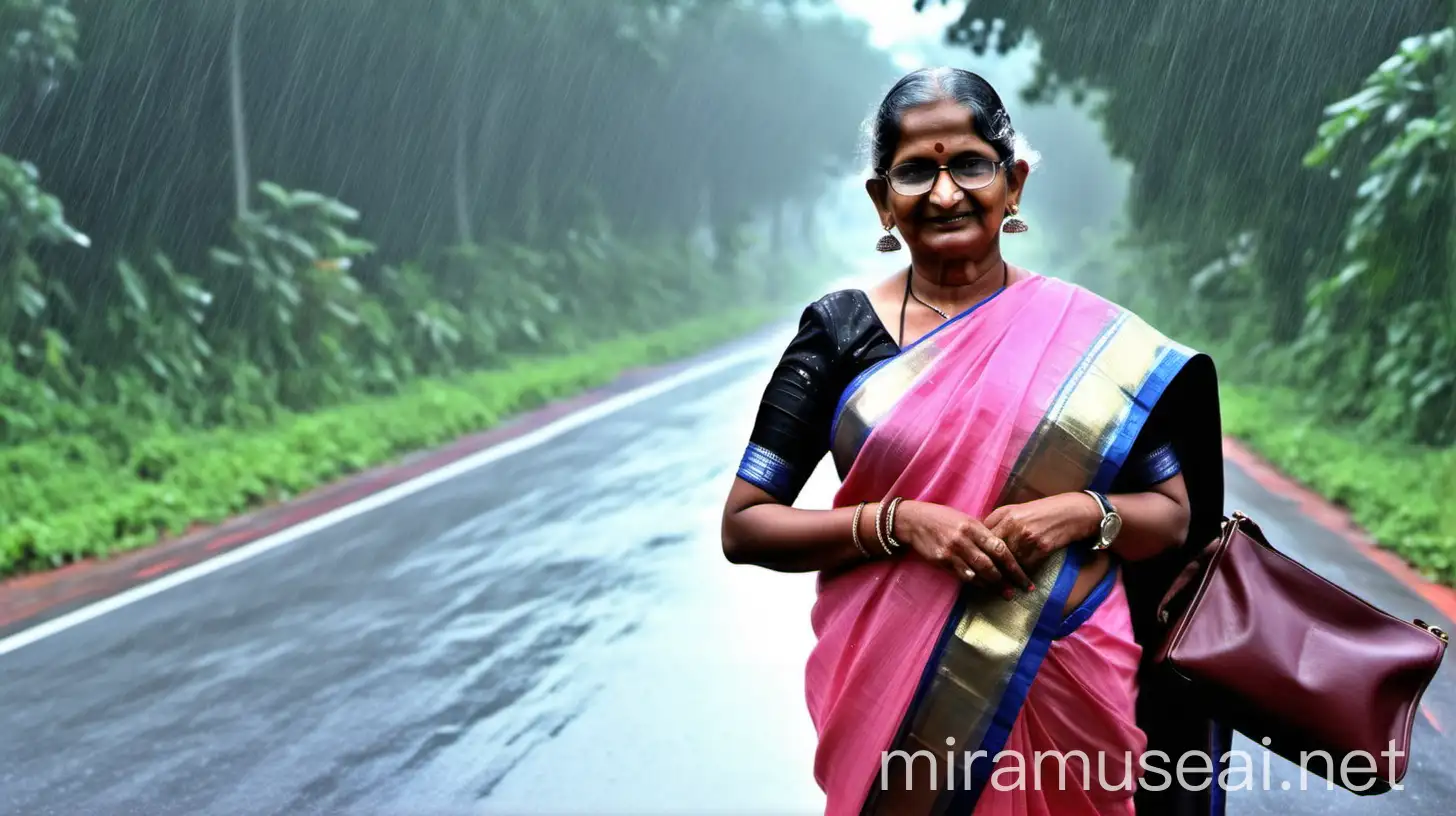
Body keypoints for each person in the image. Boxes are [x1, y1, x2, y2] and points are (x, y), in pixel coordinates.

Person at [720, 67, 1230, 816]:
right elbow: (746, 525)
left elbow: (1174, 516)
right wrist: (898, 523)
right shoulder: (839, 334)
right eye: (916, 171)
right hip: (896, 693)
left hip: (1070, 665)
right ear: (881, 198)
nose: (945, 192)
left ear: (1013, 181)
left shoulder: (1091, 343)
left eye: (969, 164)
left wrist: (1081, 513)